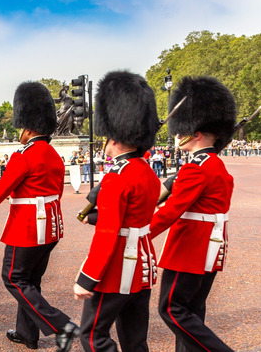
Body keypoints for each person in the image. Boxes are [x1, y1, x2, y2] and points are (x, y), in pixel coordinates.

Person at [0, 82, 79, 350]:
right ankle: (27, 334)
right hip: (51, 227)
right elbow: (58, 192)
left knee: (13, 278)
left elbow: (0, 191)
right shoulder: (54, 156)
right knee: (30, 282)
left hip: (27, 228)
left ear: (28, 127)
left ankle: (62, 325)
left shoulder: (23, 155)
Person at [73, 71, 161, 352]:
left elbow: (109, 232)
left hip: (117, 269)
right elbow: (134, 214)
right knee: (135, 341)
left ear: (115, 138)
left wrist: (87, 277)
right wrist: (96, 216)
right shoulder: (146, 172)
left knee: (92, 336)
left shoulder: (116, 177)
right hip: (143, 267)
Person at [150, 76, 237, 352]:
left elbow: (170, 213)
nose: (177, 136)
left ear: (195, 132)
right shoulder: (218, 166)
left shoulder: (195, 169)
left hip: (189, 250)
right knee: (193, 310)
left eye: (180, 131)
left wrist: (139, 234)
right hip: (211, 250)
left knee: (173, 310)